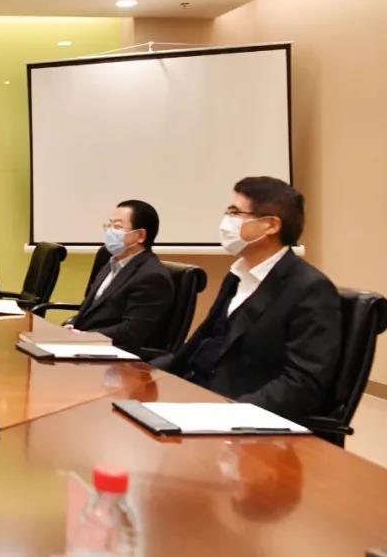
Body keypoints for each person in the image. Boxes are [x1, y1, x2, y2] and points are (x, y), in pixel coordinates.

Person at [153, 177, 341, 420]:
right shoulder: (237, 275)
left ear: (270, 225)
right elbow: (204, 341)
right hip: (193, 395)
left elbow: (303, 383)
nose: (226, 221)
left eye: (235, 212)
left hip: (235, 412)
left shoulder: (310, 289)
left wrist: (228, 413)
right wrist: (147, 373)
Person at [64, 200, 174, 349]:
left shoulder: (152, 277)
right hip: (86, 343)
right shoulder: (111, 263)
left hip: (114, 352)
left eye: (117, 227)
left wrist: (86, 337)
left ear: (140, 235)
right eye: (109, 225)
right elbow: (90, 310)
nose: (109, 232)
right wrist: (71, 325)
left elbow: (132, 331)